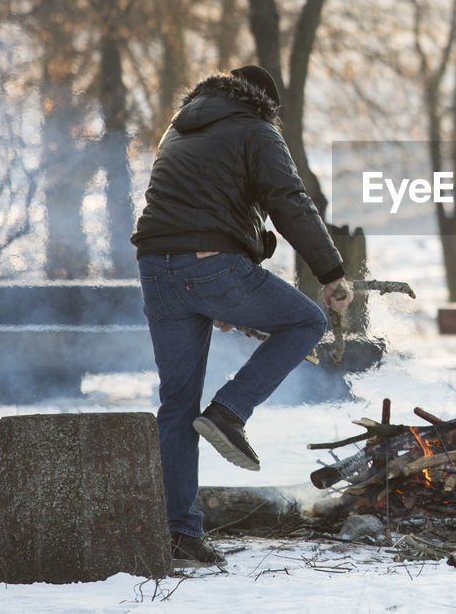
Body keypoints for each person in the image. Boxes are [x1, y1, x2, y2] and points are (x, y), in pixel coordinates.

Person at [131, 65, 352, 567]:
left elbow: (191, 206)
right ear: (264, 104)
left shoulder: (179, 130)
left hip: (155, 268)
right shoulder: (257, 129)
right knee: (306, 322)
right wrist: (331, 273)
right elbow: (288, 200)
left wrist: (217, 290)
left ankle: (179, 537)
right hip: (208, 265)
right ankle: (230, 412)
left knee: (176, 405)